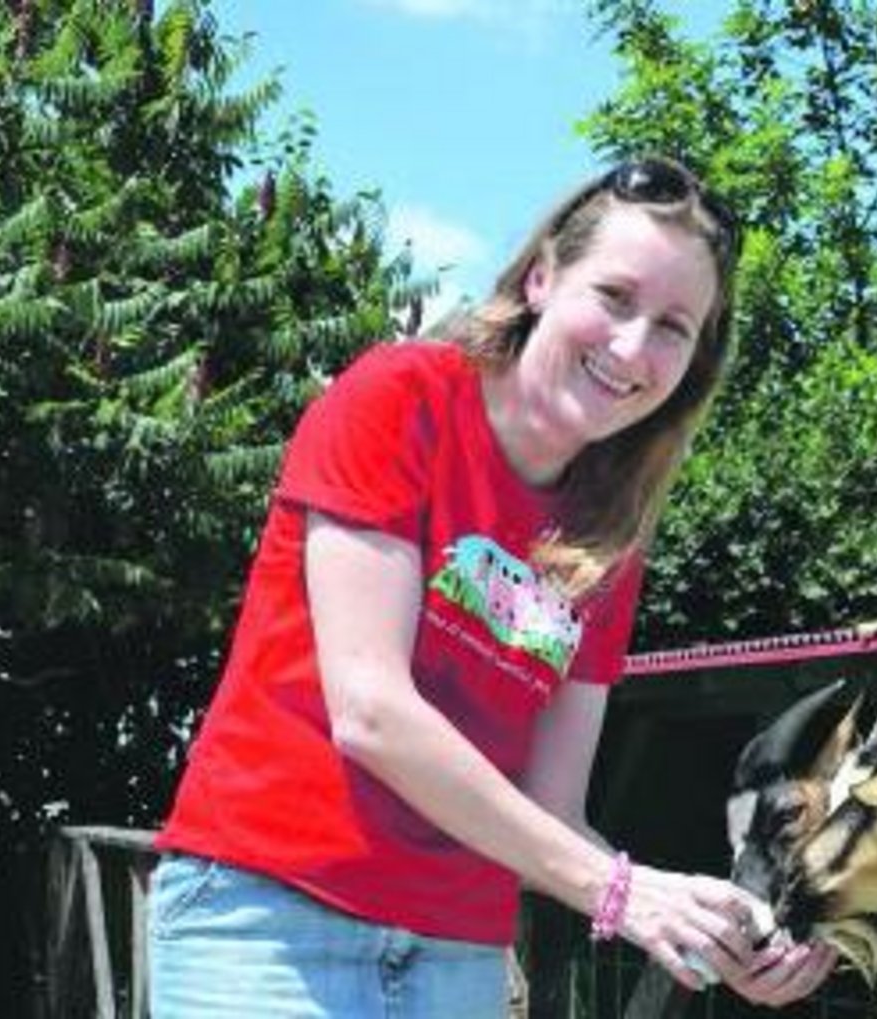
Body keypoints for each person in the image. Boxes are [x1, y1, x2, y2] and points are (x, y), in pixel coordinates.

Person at [148, 156, 838, 1016]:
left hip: (454, 958)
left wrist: (706, 925)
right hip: (271, 923)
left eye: (673, 326)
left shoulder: (613, 538)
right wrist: (621, 892)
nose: (632, 347)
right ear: (543, 275)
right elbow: (370, 710)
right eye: (615, 297)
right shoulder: (401, 400)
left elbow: (552, 810)